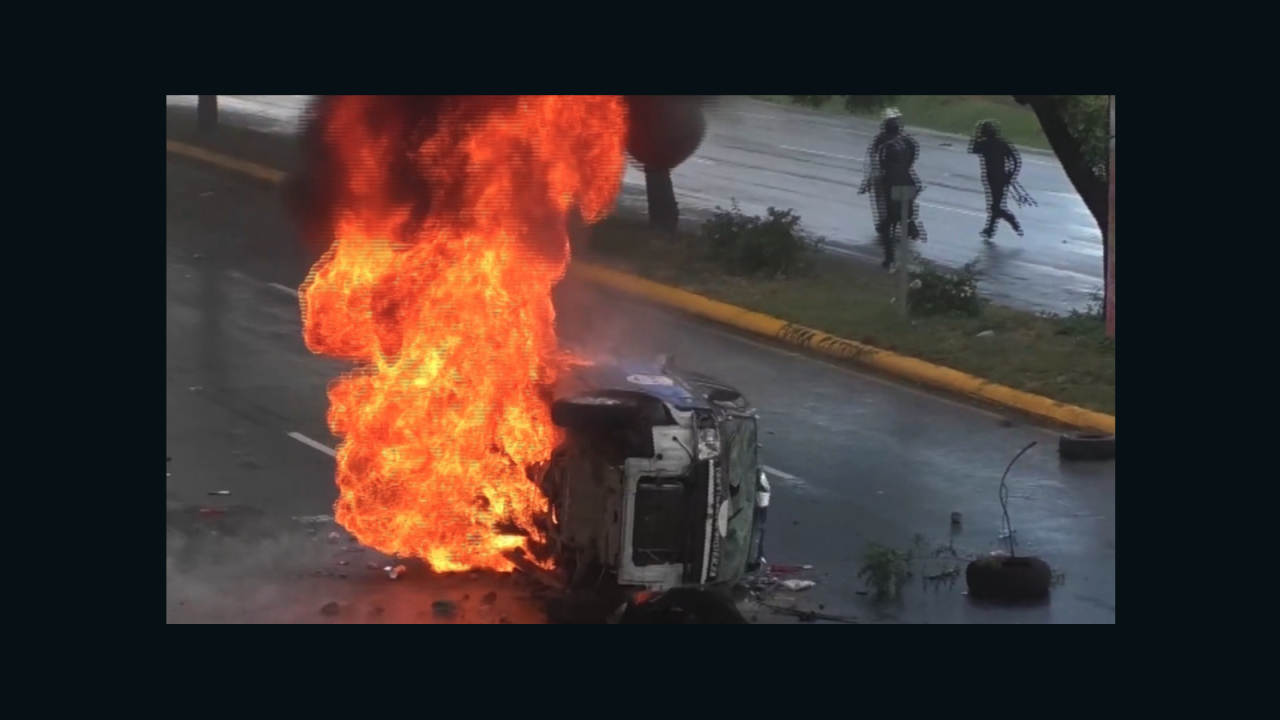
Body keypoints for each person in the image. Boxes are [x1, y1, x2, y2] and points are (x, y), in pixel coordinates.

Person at [860, 108, 924, 270]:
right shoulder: (908, 141)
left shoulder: (882, 143)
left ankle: (889, 258)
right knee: (905, 208)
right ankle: (909, 224)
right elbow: (913, 158)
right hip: (908, 180)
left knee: (886, 220)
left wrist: (869, 180)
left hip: (891, 182)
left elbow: (876, 164)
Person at [969, 120, 1024, 241]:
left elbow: (973, 149)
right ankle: (989, 230)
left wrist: (975, 137)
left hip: (991, 177)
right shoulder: (1003, 144)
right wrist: (1011, 175)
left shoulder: (984, 144)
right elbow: (1016, 160)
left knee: (995, 206)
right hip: (1002, 177)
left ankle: (1010, 220)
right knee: (995, 205)